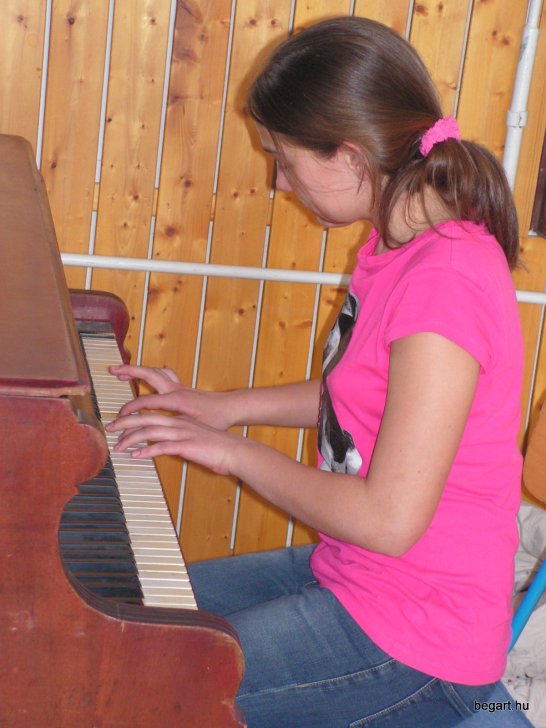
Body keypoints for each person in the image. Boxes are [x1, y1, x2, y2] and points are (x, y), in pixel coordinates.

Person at [106, 17, 532, 727]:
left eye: (282, 158)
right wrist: (224, 408)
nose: (278, 181)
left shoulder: (446, 281)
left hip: (421, 640)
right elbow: (360, 395)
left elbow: (388, 521)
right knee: (128, 614)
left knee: (141, 681)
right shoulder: (398, 246)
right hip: (359, 579)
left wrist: (232, 453)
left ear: (351, 156)